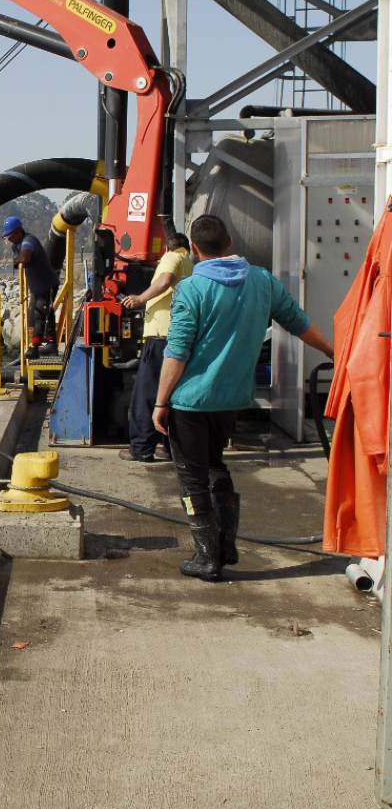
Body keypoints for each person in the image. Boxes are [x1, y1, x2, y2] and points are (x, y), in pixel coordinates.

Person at [153, 215, 334, 582]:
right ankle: (225, 544)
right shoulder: (262, 281)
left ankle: (206, 557)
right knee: (217, 465)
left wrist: (159, 402)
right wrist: (335, 351)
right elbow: (298, 323)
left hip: (190, 400)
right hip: (232, 398)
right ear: (230, 242)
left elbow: (177, 351)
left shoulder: (191, 289)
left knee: (192, 478)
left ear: (195, 250)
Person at [119, 232, 194, 463]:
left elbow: (164, 281)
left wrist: (140, 299)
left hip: (160, 336)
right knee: (172, 396)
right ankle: (170, 448)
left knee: (147, 394)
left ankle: (141, 448)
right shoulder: (190, 264)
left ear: (167, 248)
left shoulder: (173, 256)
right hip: (178, 337)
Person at [2, 215, 59, 359]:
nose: (9, 239)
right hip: (36, 288)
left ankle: (41, 347)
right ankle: (40, 345)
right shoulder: (17, 245)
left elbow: (25, 258)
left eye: (10, 236)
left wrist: (17, 260)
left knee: (41, 312)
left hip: (47, 285)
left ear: (18, 231)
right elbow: (18, 258)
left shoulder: (29, 241)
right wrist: (16, 258)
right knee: (33, 316)